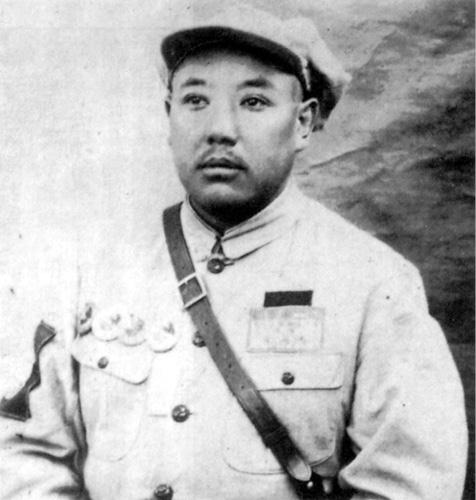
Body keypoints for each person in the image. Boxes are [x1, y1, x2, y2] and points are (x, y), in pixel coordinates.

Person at [0, 3, 468, 499]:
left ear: (303, 122)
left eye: (254, 101)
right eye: (195, 100)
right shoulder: (92, 270)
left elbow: (408, 485)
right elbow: (23, 454)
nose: (219, 128)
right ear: (168, 115)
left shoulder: (375, 283)